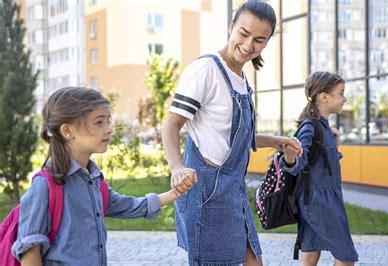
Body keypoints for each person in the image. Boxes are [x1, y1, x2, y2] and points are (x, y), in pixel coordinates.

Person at [162, 1, 301, 265]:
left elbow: (233, 137)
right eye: (243, 34)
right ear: (231, 27)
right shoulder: (206, 70)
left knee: (253, 262)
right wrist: (176, 167)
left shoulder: (241, 78)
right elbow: (171, 125)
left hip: (233, 189)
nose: (249, 46)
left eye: (259, 40)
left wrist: (276, 141)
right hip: (207, 190)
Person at [12, 87, 196, 265]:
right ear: (67, 131)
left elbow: (128, 206)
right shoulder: (45, 185)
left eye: (108, 120)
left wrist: (174, 193)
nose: (109, 129)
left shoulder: (93, 180)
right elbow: (29, 250)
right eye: (99, 122)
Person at [281, 71, 359, 265]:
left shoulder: (323, 128)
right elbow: (297, 161)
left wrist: (335, 145)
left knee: (311, 253)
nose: (344, 98)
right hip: (319, 202)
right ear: (324, 97)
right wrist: (290, 158)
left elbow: (322, 164)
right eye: (340, 93)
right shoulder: (310, 127)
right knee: (346, 256)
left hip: (318, 198)